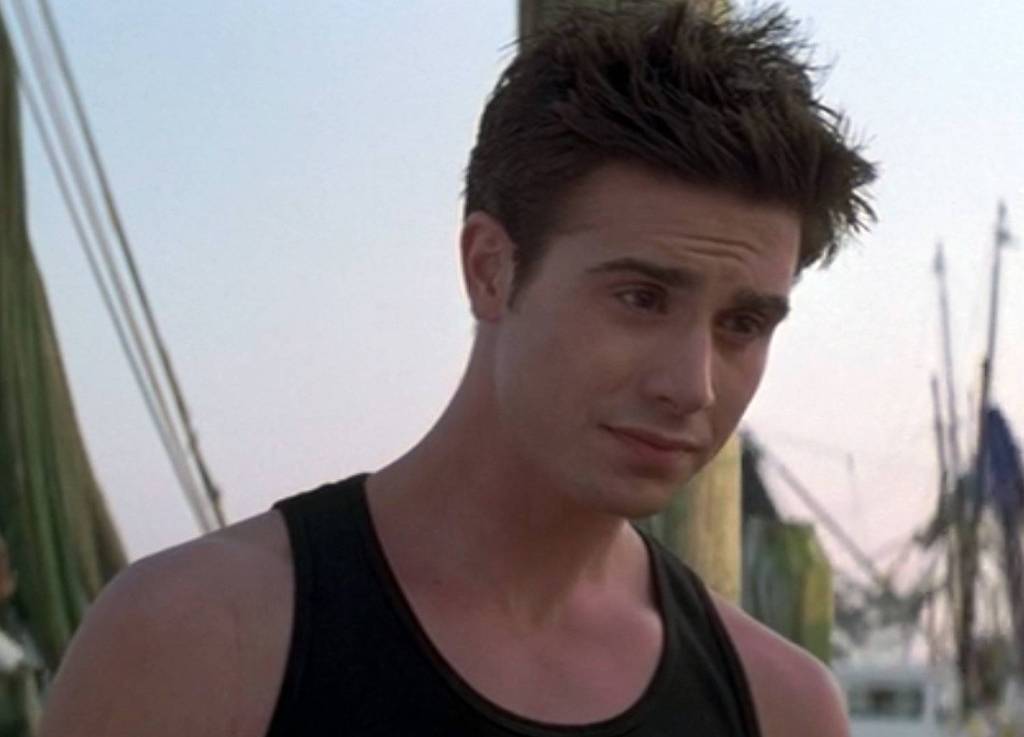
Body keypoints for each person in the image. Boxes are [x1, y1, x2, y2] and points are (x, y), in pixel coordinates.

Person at [39, 3, 875, 736]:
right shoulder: (200, 641)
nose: (692, 385)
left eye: (742, 324)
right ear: (489, 269)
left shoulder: (781, 706)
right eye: (641, 298)